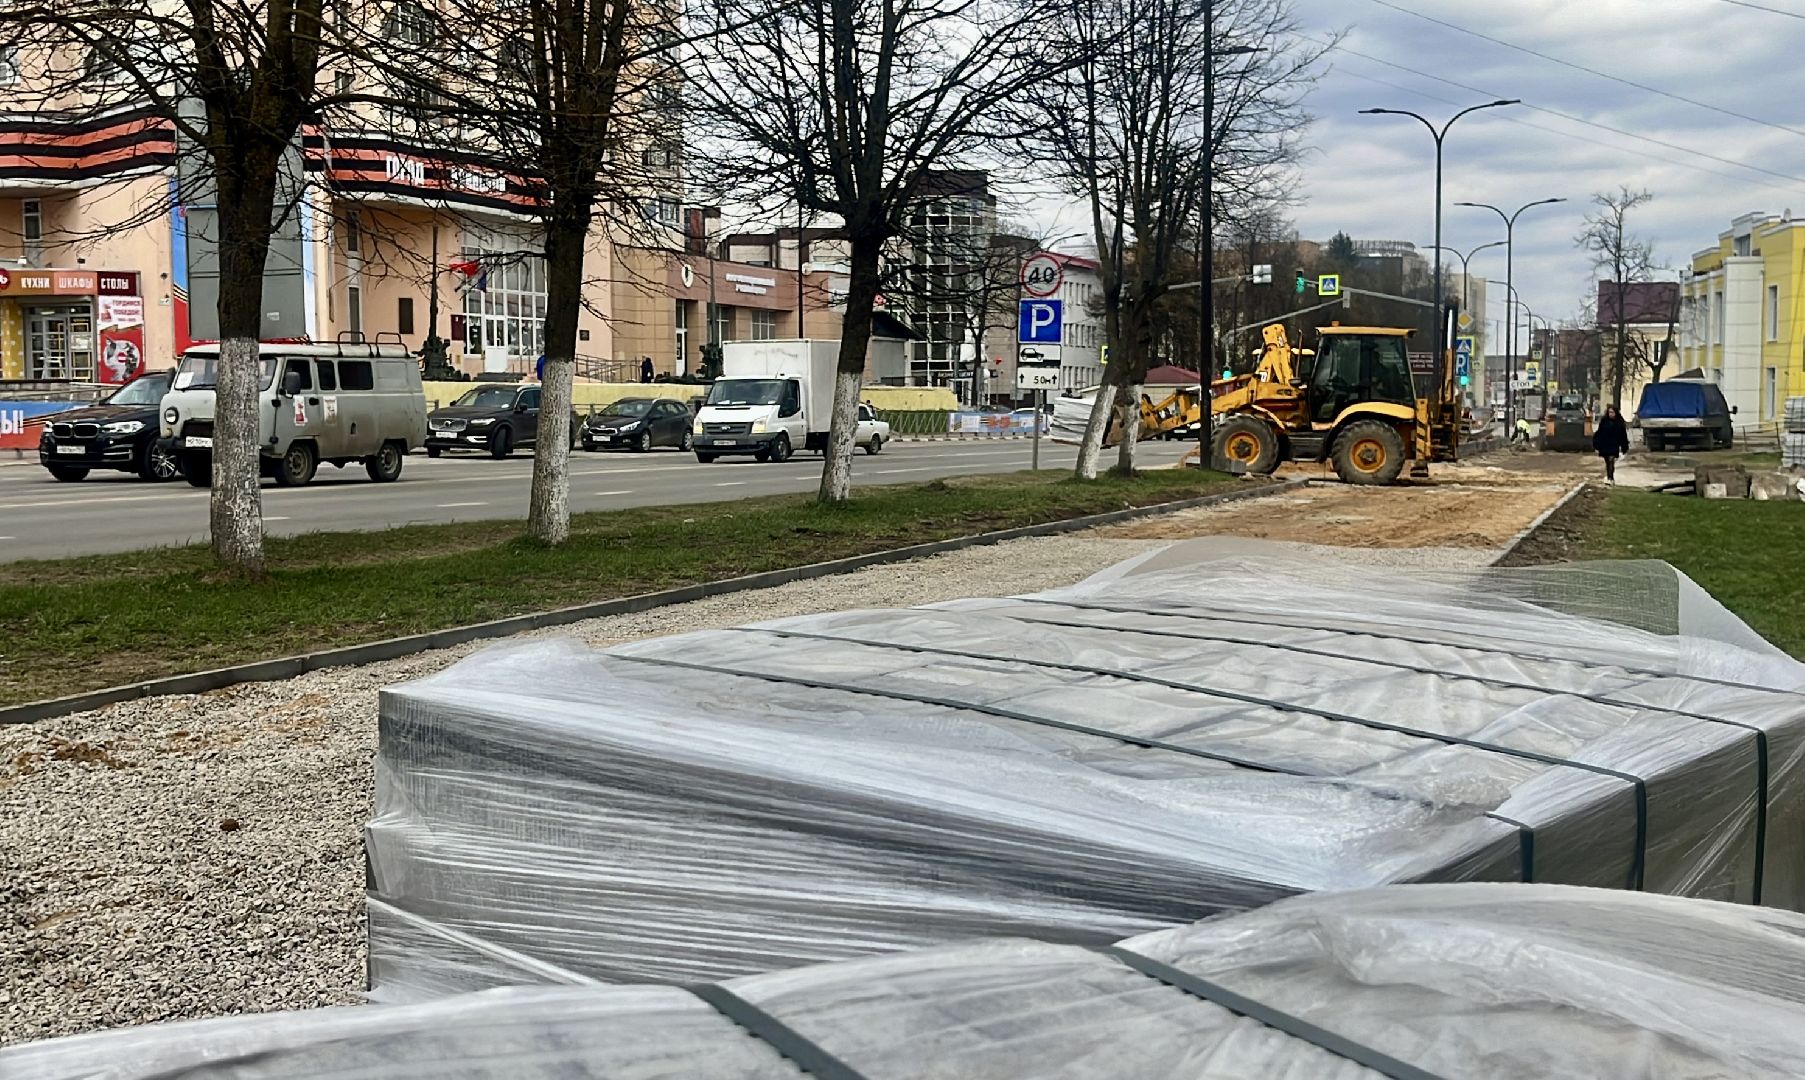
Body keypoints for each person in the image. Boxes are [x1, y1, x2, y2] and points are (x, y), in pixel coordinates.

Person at [1593, 404, 1630, 483]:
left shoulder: (1619, 422)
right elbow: (1599, 433)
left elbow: (1623, 435)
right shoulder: (1604, 421)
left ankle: (1610, 478)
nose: (1611, 414)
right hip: (1605, 445)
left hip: (1614, 445)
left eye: (1612, 412)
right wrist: (1597, 444)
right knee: (1608, 461)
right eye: (1610, 412)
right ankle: (1609, 476)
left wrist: (1624, 446)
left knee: (1611, 460)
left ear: (1616, 413)